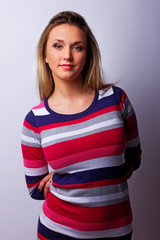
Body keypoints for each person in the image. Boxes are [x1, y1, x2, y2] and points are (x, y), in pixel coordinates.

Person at [21, 11, 142, 240]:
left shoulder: (117, 99)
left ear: (88, 54)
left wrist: (97, 173)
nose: (67, 55)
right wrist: (68, 177)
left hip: (117, 232)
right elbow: (35, 189)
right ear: (45, 55)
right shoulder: (34, 120)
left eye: (77, 47)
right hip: (58, 233)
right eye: (58, 46)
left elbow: (134, 158)